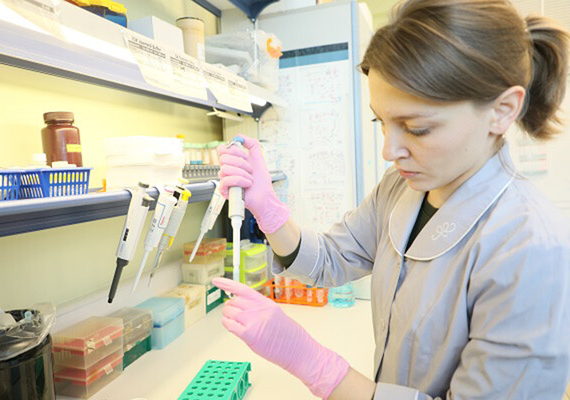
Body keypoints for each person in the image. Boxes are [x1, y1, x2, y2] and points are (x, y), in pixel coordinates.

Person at [212, 0, 570, 398]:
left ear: (502, 110)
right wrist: (268, 211)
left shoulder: (530, 247)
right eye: (380, 121)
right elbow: (331, 259)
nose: (389, 150)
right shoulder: (400, 188)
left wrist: (313, 363)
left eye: (416, 128)